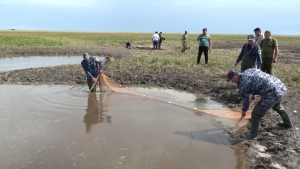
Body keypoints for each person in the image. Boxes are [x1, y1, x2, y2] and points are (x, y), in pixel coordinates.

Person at [227, 69, 292, 140]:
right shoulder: (248, 71)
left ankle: (253, 135)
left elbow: (246, 100)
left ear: (235, 77)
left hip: (272, 93)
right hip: (281, 86)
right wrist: (254, 93)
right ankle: (287, 123)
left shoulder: (242, 84)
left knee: (256, 114)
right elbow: (257, 79)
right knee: (276, 106)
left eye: (232, 80)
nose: (233, 82)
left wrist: (244, 110)